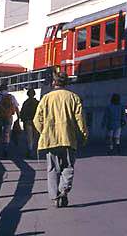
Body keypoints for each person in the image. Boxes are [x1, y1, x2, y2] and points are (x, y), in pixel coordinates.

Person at [33, 72, 88, 208]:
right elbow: (80, 119)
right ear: (66, 83)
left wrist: (44, 132)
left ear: (53, 83)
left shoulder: (46, 98)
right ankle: (64, 189)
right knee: (68, 166)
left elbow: (37, 120)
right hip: (68, 139)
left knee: (52, 168)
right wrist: (84, 135)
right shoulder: (73, 98)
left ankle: (54, 196)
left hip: (50, 140)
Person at [0, 82, 19, 157]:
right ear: (7, 89)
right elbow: (16, 107)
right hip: (9, 117)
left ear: (0, 89)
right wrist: (19, 117)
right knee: (7, 133)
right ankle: (5, 149)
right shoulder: (11, 97)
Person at [20, 88, 40, 158]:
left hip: (27, 121)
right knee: (35, 137)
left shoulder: (26, 102)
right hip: (36, 121)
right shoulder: (37, 102)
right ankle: (34, 151)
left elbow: (22, 112)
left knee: (29, 137)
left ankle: (30, 150)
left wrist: (22, 120)